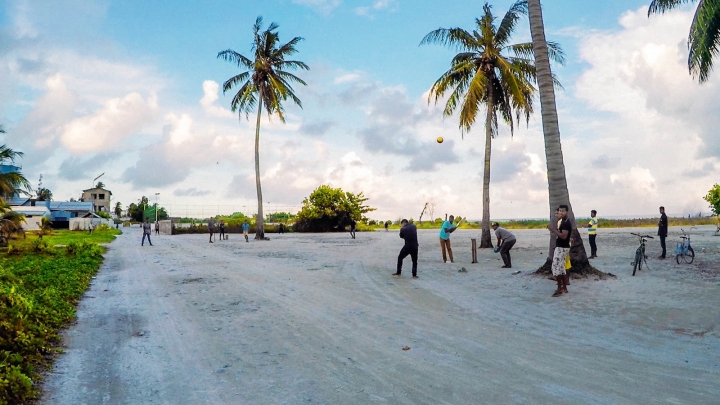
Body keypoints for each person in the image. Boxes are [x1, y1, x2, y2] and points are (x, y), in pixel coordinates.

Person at [548, 205, 571, 297]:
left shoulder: (565, 223)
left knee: (556, 268)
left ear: (566, 212)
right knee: (561, 268)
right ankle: (564, 288)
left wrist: (553, 230)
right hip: (562, 247)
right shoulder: (563, 221)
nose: (561, 213)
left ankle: (560, 288)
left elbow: (564, 236)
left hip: (562, 247)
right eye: (560, 211)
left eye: (563, 211)